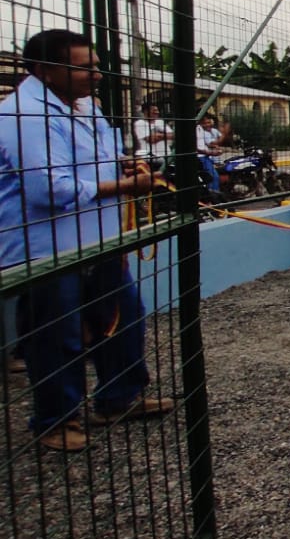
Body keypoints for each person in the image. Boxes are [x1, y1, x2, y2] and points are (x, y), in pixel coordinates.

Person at [0, 29, 175, 451]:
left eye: (96, 65)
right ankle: (56, 420)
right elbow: (51, 190)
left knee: (124, 317)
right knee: (57, 334)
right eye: (84, 68)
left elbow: (99, 161)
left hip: (98, 241)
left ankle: (119, 397)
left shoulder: (85, 108)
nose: (97, 74)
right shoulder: (24, 116)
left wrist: (124, 166)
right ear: (45, 70)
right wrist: (125, 187)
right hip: (49, 250)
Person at [133, 101, 173, 167]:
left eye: (157, 110)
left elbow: (173, 136)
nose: (157, 112)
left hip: (166, 155)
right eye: (154, 110)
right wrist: (165, 135)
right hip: (150, 156)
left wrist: (158, 135)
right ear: (146, 111)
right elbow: (151, 139)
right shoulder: (140, 123)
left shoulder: (160, 122)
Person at [196, 112, 225, 191]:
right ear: (200, 121)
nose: (208, 125)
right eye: (205, 123)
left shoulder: (200, 129)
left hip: (205, 157)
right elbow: (195, 148)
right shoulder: (196, 129)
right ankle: (214, 195)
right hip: (201, 158)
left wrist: (212, 147)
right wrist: (211, 152)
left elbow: (201, 143)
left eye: (209, 122)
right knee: (213, 177)